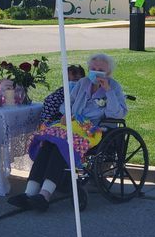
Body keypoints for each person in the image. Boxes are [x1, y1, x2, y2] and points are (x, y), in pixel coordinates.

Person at [8, 53, 128, 211]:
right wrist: (67, 112)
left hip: (94, 130)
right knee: (49, 143)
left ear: (109, 73)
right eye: (93, 68)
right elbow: (67, 102)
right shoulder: (83, 83)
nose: (96, 71)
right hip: (72, 125)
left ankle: (44, 195)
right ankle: (30, 193)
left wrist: (108, 91)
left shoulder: (114, 86)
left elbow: (118, 114)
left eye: (101, 69)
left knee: (63, 145)